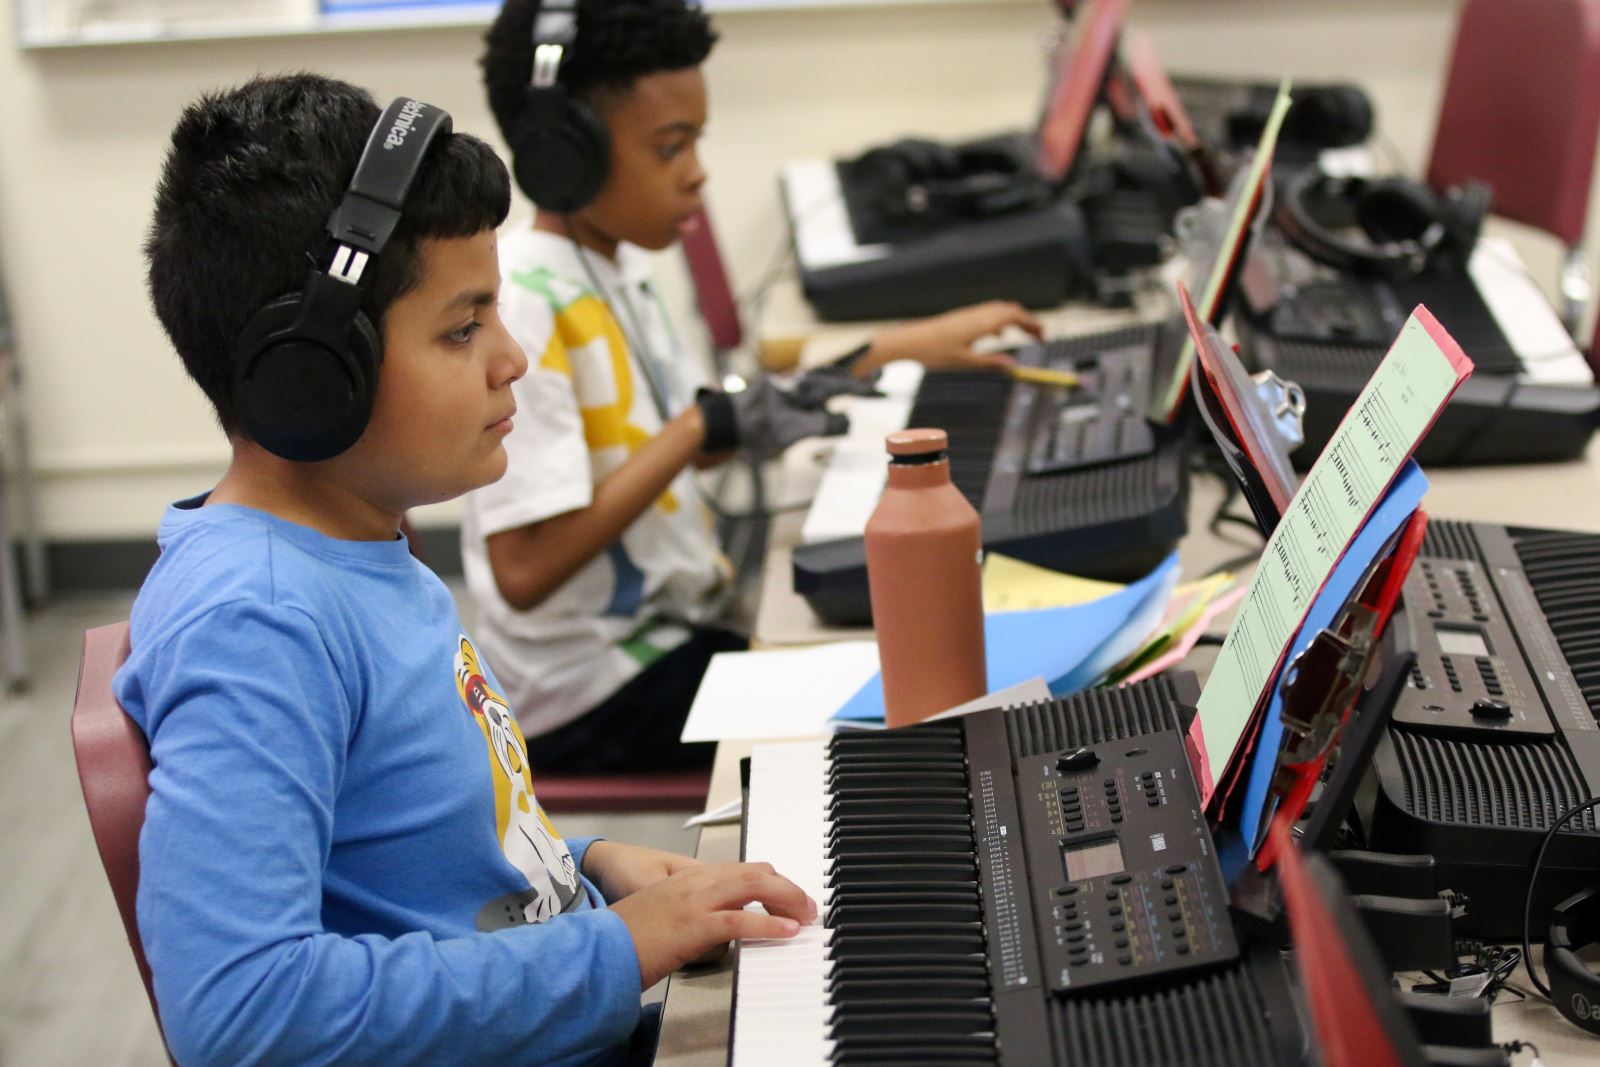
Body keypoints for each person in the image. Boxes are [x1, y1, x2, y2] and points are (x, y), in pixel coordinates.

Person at [116, 72, 812, 1067]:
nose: (512, 356)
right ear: (313, 373)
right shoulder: (257, 617)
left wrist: (588, 867)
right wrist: (617, 945)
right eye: (462, 326)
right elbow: (242, 1011)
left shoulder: (357, 552)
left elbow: (426, 892)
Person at [471, 0, 1043, 770]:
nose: (697, 172)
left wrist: (897, 347)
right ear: (562, 155)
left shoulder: (620, 271)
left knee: (898, 663)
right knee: (903, 712)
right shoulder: (528, 307)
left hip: (665, 637)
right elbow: (524, 570)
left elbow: (714, 432)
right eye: (671, 147)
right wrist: (693, 432)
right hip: (591, 693)